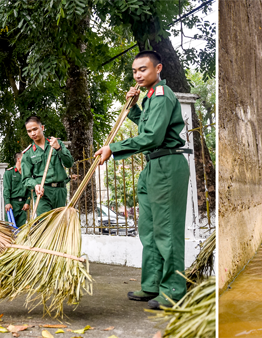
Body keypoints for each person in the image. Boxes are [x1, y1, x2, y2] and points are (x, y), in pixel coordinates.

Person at [95, 50, 192, 310]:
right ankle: (152, 285)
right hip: (153, 165)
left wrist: (113, 148)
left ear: (158, 68)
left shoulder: (162, 94)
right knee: (148, 230)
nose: (138, 74)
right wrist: (132, 108)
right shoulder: (149, 98)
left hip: (167, 164)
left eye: (143, 69)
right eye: (135, 71)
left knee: (167, 231)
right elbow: (147, 128)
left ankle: (172, 289)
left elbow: (152, 137)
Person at [21, 116, 74, 217]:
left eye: (35, 129)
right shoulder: (28, 153)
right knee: (45, 224)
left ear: (42, 128)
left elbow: (69, 163)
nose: (33, 133)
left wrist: (58, 148)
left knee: (59, 224)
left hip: (60, 191)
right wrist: (35, 185)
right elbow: (26, 179)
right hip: (43, 193)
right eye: (29, 131)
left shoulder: (56, 143)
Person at [4, 149, 30, 226]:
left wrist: (27, 202)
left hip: (23, 206)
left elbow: (29, 190)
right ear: (19, 159)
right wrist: (7, 202)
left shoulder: (27, 173)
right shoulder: (9, 173)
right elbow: (6, 189)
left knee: (21, 229)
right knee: (10, 229)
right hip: (12, 205)